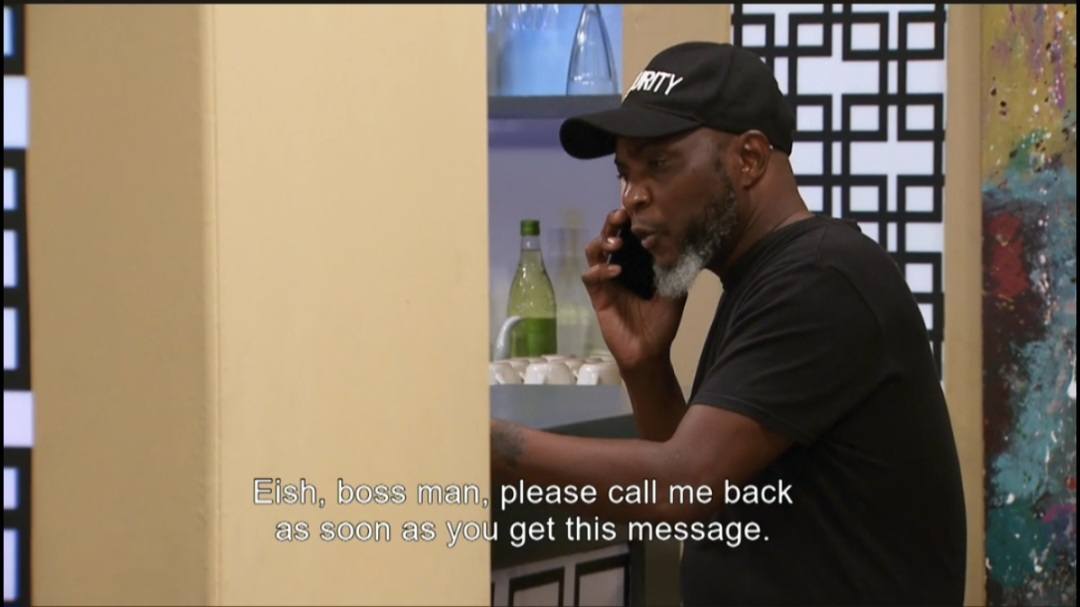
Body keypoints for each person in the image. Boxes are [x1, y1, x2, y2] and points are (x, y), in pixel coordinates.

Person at [490, 41, 966, 605]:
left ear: (749, 159)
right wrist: (645, 363)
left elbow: (681, 486)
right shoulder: (762, 278)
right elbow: (712, 504)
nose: (633, 196)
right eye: (625, 172)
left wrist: (489, 446)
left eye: (658, 164)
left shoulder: (821, 279)